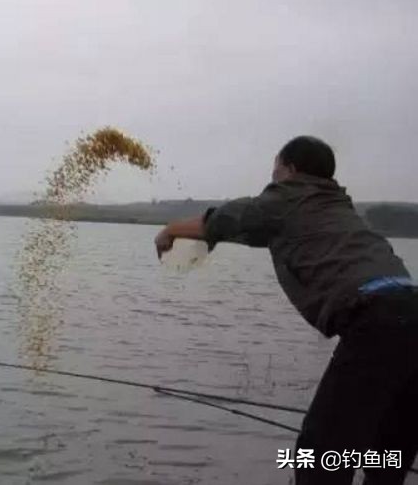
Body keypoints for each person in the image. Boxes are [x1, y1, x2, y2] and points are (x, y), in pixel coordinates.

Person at [154, 136, 417, 484]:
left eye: (275, 167)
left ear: (291, 169)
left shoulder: (289, 196)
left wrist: (170, 230)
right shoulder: (335, 207)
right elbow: (260, 230)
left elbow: (227, 218)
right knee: (388, 451)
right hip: (410, 312)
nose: (272, 176)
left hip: (378, 321)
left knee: (319, 455)